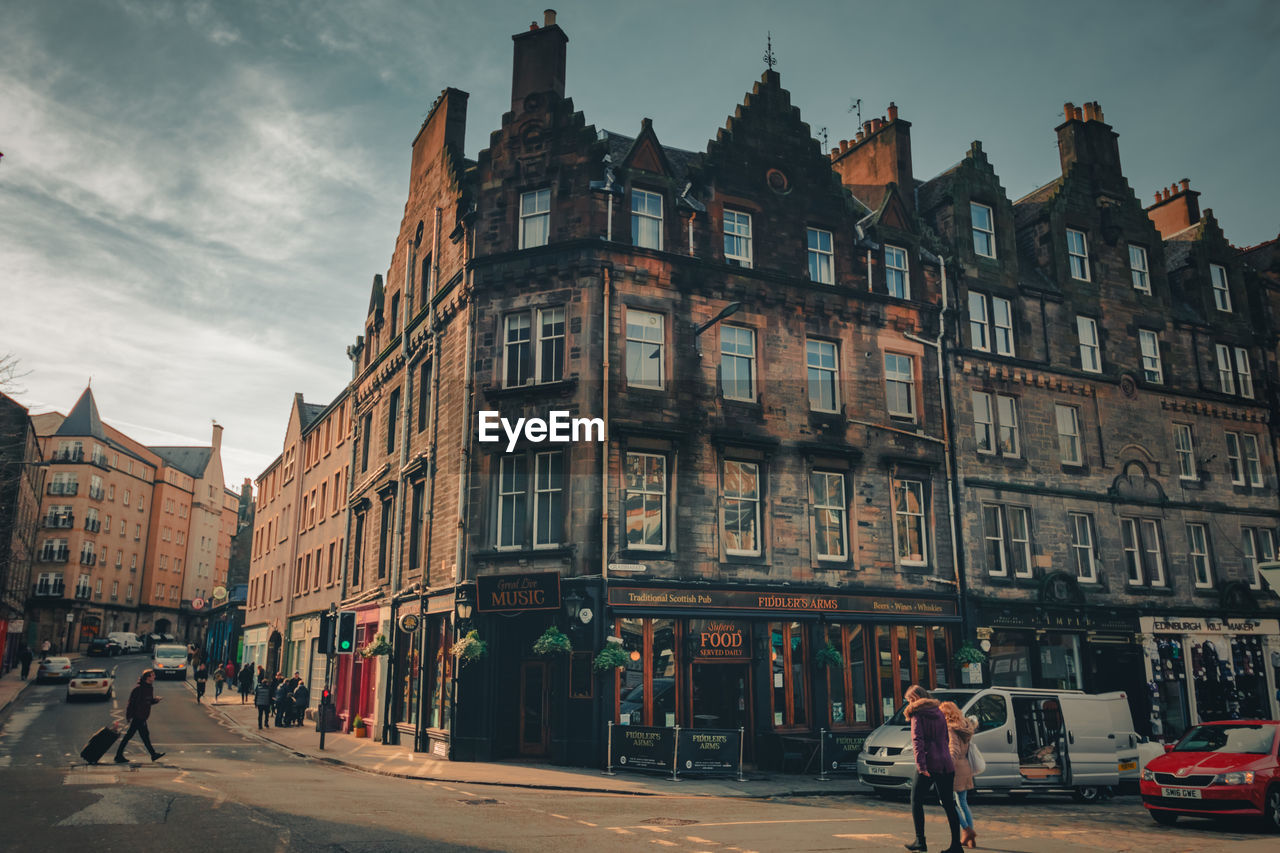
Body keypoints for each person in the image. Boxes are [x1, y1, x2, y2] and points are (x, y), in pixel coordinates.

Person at [904, 685, 962, 853]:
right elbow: (945, 737)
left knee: (916, 800)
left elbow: (917, 740)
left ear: (914, 699)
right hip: (946, 763)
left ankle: (920, 841)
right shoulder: (938, 712)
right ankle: (956, 845)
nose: (908, 703)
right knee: (949, 804)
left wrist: (921, 766)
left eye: (909, 700)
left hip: (930, 762)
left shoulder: (917, 714)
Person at [940, 700, 978, 849]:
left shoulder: (950, 729)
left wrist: (946, 766)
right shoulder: (964, 727)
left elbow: (953, 750)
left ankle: (967, 830)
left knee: (946, 802)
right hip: (965, 767)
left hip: (955, 769)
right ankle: (969, 837)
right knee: (962, 802)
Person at [115, 670, 165, 764]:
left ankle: (153, 754)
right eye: (153, 675)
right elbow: (131, 703)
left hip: (143, 716)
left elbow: (148, 701)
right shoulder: (138, 689)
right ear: (147, 677)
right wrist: (129, 716)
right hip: (138, 716)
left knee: (140, 736)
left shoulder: (149, 688)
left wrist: (156, 700)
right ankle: (153, 754)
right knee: (136, 736)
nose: (154, 677)